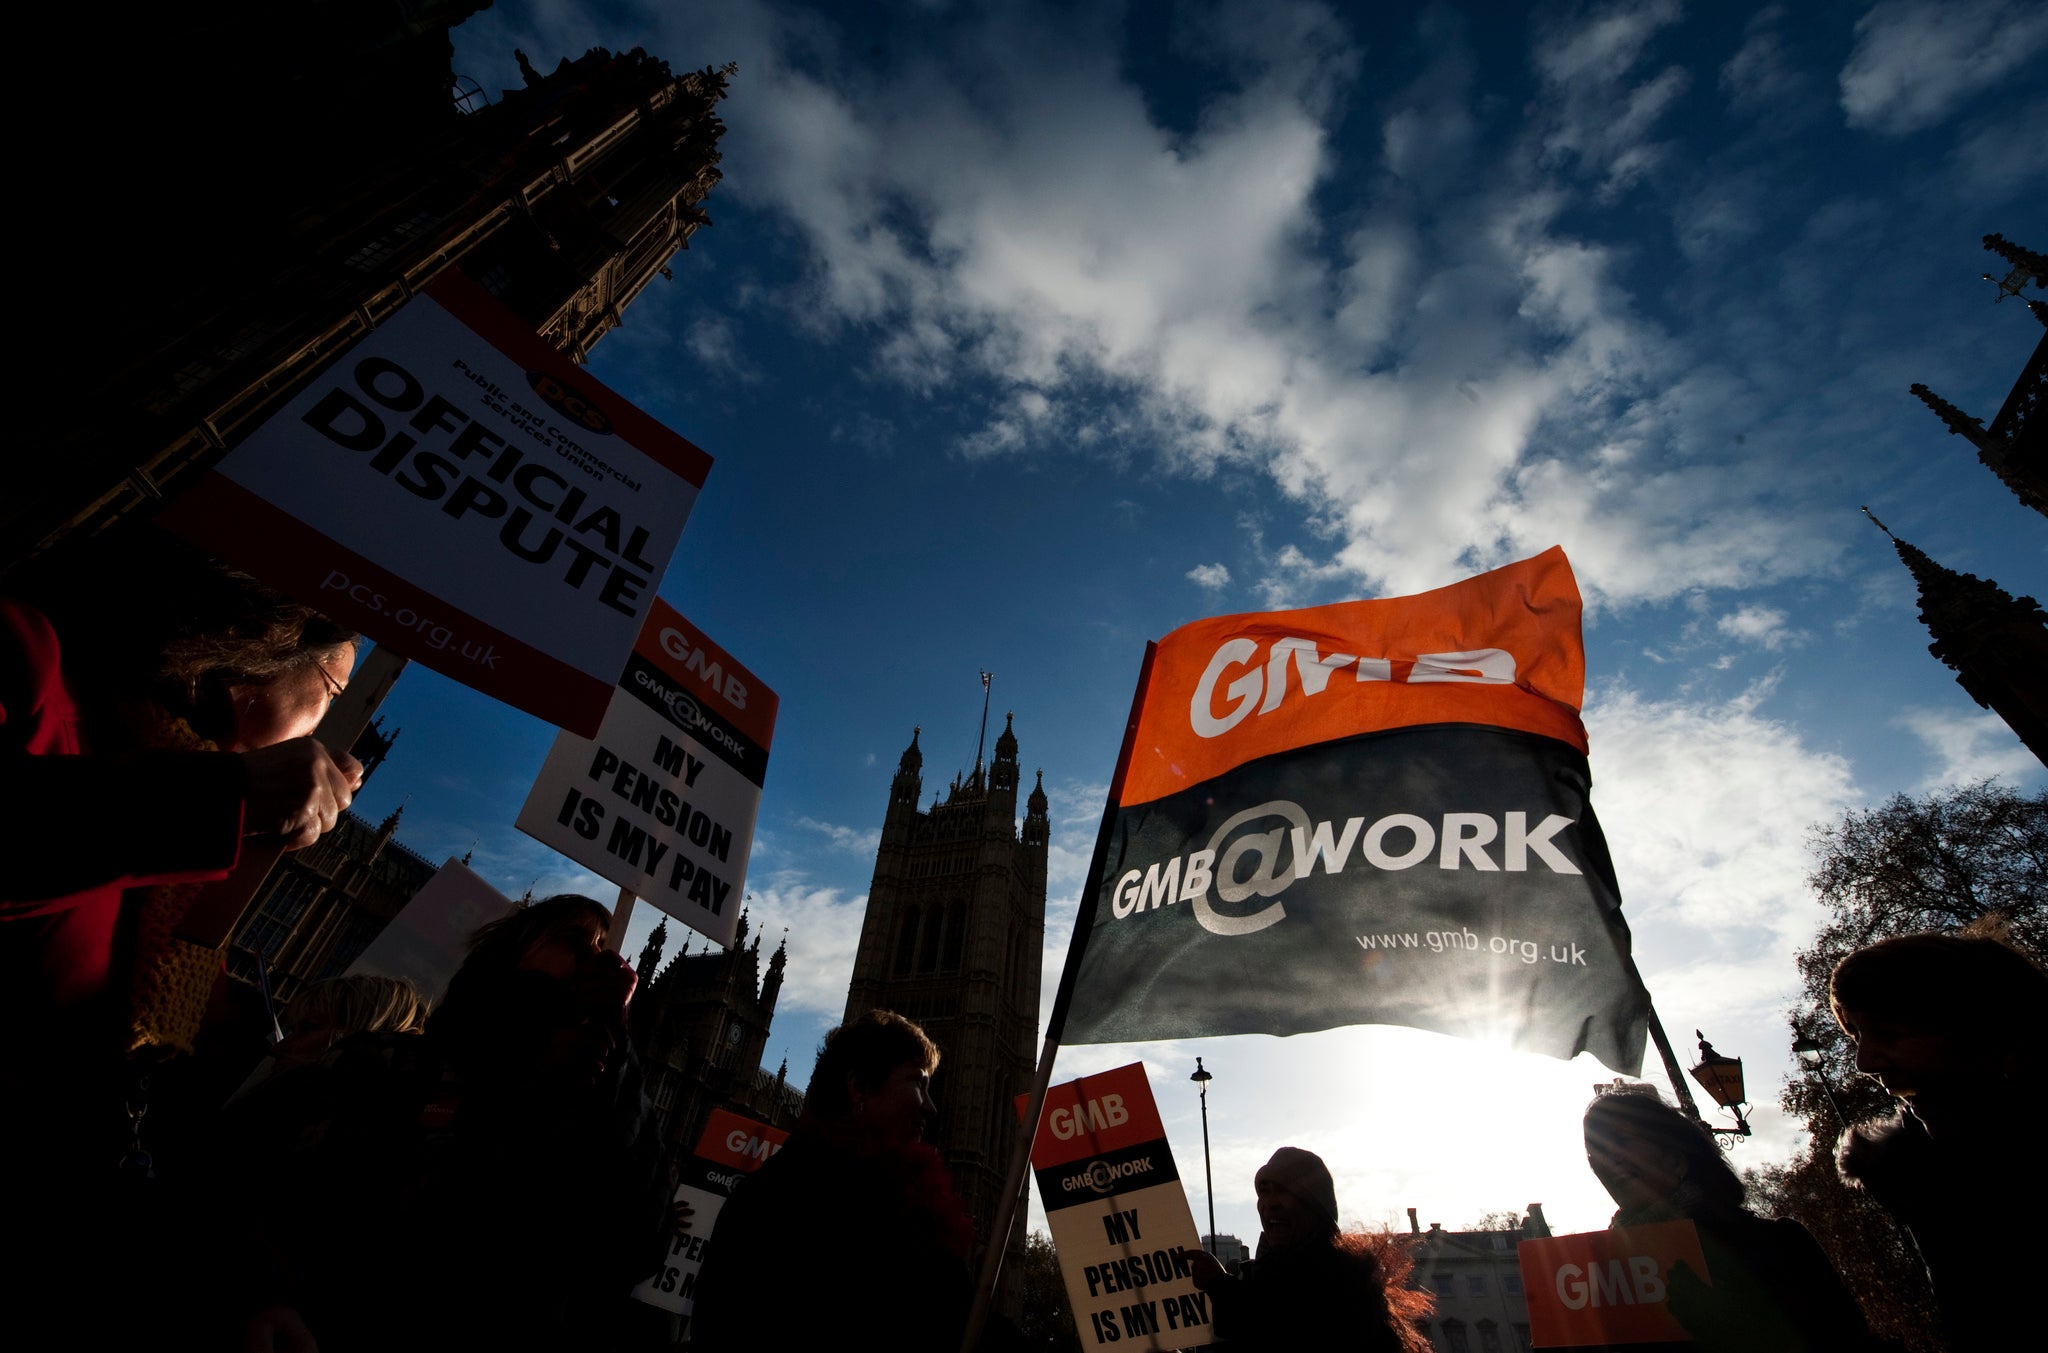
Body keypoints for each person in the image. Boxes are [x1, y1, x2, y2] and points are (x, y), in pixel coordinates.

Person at [216, 894, 669, 1352]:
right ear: (512, 952)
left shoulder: (594, 1107)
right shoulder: (392, 1066)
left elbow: (634, 1244)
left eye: (606, 950)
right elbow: (236, 1179)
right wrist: (264, 1294)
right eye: (576, 942)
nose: (599, 961)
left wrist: (614, 1052)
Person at [690, 1009, 975, 1353]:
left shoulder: (770, 1191)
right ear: (858, 1088)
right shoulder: (868, 1212)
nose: (930, 1107)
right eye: (916, 1082)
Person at [1831, 923, 2047, 1351]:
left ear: (1976, 1026)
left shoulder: (1922, 1160)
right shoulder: (1913, 1162)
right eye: (1855, 1036)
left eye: (1888, 1034)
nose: (1864, 1061)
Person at [1579, 1087, 1875, 1353]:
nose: (1607, 1159)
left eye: (1620, 1140)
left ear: (1674, 1158)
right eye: (1596, 1152)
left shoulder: (1779, 1244)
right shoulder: (1600, 1278)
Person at [1180, 1146, 1431, 1353]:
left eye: (1284, 1191)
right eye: (1263, 1192)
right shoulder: (1266, 1276)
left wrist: (1221, 1287)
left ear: (1315, 1206)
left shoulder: (1343, 1281)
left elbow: (1285, 1328)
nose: (1270, 1204)